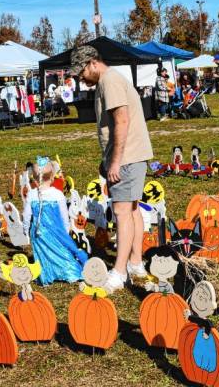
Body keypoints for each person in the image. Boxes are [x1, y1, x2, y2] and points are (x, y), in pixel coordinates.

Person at [70, 45, 154, 294]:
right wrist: (107, 159)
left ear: (93, 63)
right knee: (132, 208)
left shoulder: (110, 81)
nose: (80, 78)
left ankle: (118, 273)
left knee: (121, 213)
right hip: (129, 156)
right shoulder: (110, 80)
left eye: (81, 72)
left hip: (127, 158)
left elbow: (122, 121)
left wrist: (115, 162)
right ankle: (136, 262)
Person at [22, 156, 88, 285]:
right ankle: (70, 273)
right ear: (53, 177)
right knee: (62, 252)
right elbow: (64, 215)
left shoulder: (31, 195)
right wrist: (66, 228)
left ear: (34, 179)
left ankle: (46, 274)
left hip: (38, 232)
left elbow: (26, 215)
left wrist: (26, 230)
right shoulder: (58, 194)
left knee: (43, 254)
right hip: (56, 231)